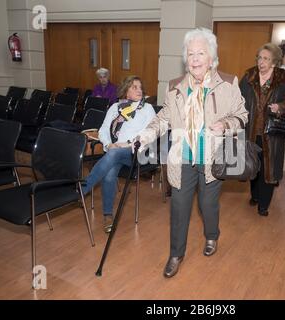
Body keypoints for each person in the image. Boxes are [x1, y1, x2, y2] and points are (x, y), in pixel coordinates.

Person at [136, 27, 248, 278]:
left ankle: (212, 235)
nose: (195, 58)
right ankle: (176, 254)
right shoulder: (175, 86)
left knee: (208, 206)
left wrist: (225, 124)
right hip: (182, 159)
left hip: (211, 159)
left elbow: (242, 116)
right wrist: (144, 136)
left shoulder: (228, 83)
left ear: (212, 58)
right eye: (191, 53)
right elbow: (164, 117)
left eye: (201, 53)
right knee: (179, 208)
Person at [82, 76, 156, 232]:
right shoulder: (116, 107)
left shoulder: (147, 109)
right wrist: (109, 144)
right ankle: (108, 216)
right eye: (134, 87)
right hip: (114, 151)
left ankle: (82, 189)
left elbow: (151, 134)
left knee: (113, 155)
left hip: (136, 153)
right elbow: (103, 129)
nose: (139, 90)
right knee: (109, 173)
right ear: (126, 91)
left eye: (140, 87)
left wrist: (127, 144)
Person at [239, 43, 285, 216]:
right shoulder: (249, 75)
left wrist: (280, 106)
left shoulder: (283, 77)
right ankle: (255, 195)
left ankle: (264, 204)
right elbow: (238, 98)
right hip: (251, 130)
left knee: (268, 168)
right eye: (259, 57)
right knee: (252, 164)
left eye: (266, 59)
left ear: (274, 62)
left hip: (271, 133)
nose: (261, 62)